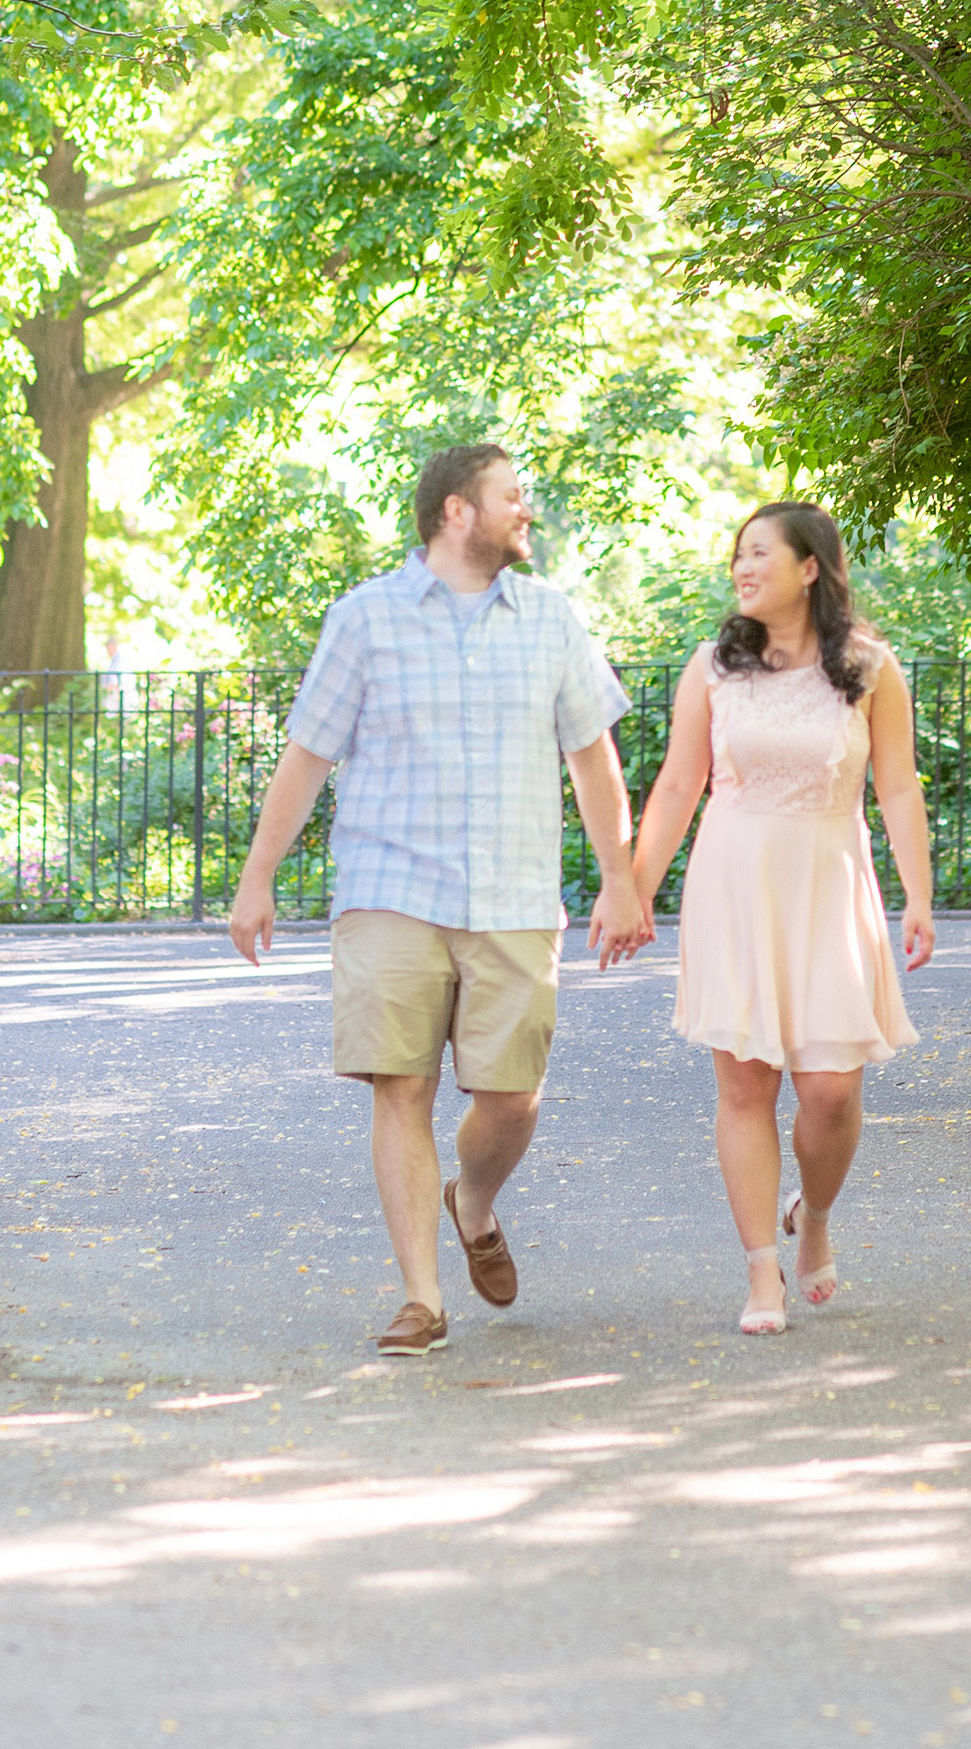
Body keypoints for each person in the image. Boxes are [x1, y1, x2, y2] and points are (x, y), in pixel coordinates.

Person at [228, 443, 650, 1357]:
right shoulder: (365, 619)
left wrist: (621, 878)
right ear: (458, 511)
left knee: (512, 1098)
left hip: (515, 894)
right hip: (389, 888)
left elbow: (592, 758)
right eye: (513, 496)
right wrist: (257, 875)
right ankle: (422, 1296)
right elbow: (308, 753)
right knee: (401, 1085)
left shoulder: (550, 619)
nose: (526, 510)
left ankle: (477, 1199)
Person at [631, 501, 934, 1335]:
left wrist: (919, 894)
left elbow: (898, 786)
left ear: (810, 568)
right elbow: (675, 786)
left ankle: (818, 1215)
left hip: (830, 884)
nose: (742, 565)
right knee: (746, 1084)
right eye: (738, 553)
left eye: (759, 551)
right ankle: (761, 1270)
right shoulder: (713, 667)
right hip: (734, 883)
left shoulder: (870, 668)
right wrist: (633, 888)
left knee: (831, 1093)